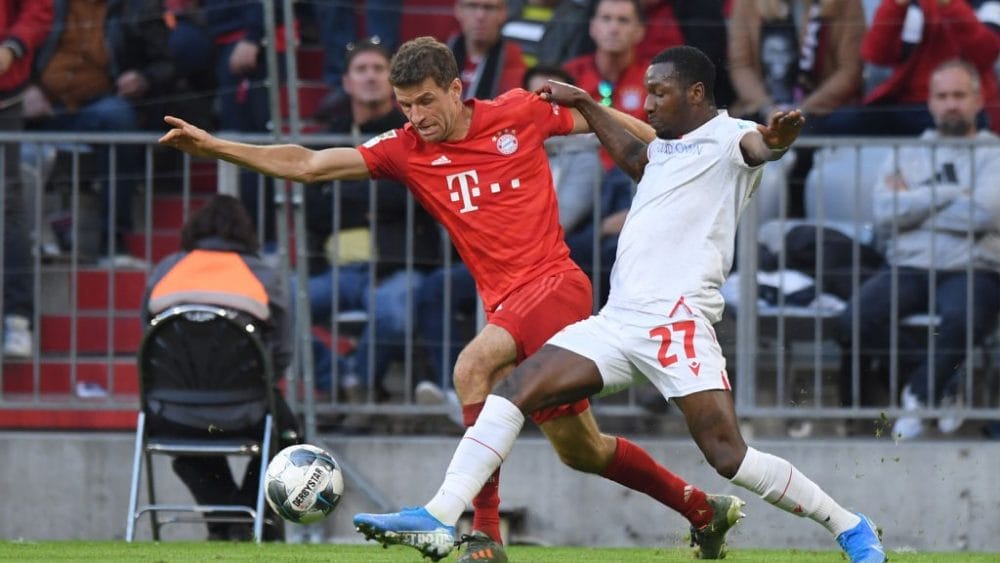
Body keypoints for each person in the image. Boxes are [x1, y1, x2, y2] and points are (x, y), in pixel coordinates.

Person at [160, 36, 744, 563]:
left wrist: (687, 152)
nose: (416, 117)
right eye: (405, 105)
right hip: (507, 303)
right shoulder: (405, 148)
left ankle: (478, 536)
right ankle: (702, 510)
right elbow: (310, 164)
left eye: (425, 102)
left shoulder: (518, 111)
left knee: (473, 366)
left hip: (556, 286)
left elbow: (602, 119)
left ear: (456, 89)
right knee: (583, 451)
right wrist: (216, 147)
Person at [352, 45, 887, 563]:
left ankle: (848, 524)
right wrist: (585, 103)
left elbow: (759, 149)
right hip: (617, 320)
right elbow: (632, 153)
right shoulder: (665, 151)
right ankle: (442, 513)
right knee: (510, 390)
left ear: (696, 92)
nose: (648, 105)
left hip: (676, 322)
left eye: (659, 93)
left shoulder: (728, 136)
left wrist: (777, 141)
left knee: (729, 458)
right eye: (647, 94)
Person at [837, 59, 1000, 440]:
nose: (951, 104)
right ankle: (938, 384)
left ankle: (919, 393)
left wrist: (915, 205)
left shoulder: (995, 154)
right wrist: (948, 195)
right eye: (942, 96)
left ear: (978, 100)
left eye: (959, 95)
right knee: (853, 321)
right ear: (930, 103)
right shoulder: (905, 153)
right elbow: (884, 212)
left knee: (964, 319)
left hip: (974, 266)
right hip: (910, 265)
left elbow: (984, 215)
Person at [141, 194, 300, 541]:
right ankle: (248, 515)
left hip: (172, 413)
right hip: (247, 407)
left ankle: (224, 522)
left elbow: (148, 340)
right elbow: (284, 351)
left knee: (190, 450)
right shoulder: (263, 276)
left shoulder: (166, 270)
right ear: (246, 234)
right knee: (290, 441)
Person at [303, 38, 442, 401]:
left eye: (379, 70)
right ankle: (340, 380)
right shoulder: (329, 135)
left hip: (397, 265)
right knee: (282, 303)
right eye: (361, 70)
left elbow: (412, 195)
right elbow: (313, 206)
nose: (370, 77)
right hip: (336, 271)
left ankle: (359, 386)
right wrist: (373, 191)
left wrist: (340, 189)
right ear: (347, 82)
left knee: (393, 312)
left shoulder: (417, 133)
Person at [24, 0, 173, 266]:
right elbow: (16, 45)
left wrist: (143, 78)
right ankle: (29, 241)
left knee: (118, 118)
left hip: (96, 106)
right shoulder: (41, 5)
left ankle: (114, 242)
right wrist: (26, 89)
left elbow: (167, 65)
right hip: (40, 104)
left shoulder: (138, 7)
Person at [820, 0, 1000, 135]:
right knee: (833, 122)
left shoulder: (986, 4)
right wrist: (896, 5)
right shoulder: (914, 5)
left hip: (959, 106)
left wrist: (949, 5)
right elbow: (875, 54)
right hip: (907, 105)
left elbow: (985, 53)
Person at [0, 0, 52, 358]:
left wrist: (12, 47)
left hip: (6, 92)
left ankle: (17, 320)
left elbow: (39, 10)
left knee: (9, 204)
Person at [449, 0, 527, 100]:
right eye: (472, 6)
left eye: (489, 8)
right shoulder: (439, 59)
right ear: (458, 10)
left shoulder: (513, 62)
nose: (480, 16)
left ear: (503, 13)